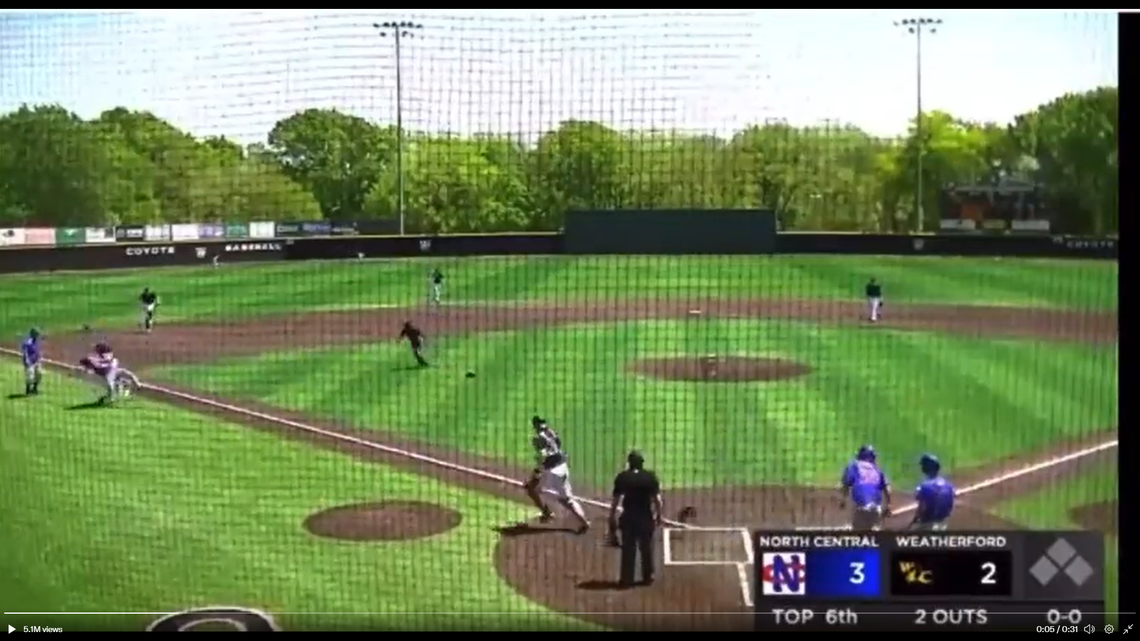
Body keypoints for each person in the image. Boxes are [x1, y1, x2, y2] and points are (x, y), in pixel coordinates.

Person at [524, 416, 590, 533]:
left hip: (551, 471)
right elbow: (558, 445)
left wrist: (537, 471)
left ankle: (547, 513)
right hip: (563, 466)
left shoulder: (537, 438)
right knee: (567, 499)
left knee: (532, 489)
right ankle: (584, 522)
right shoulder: (552, 432)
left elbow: (543, 456)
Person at [609, 450, 662, 587]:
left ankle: (627, 578)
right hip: (645, 516)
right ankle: (648, 576)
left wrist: (612, 518)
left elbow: (615, 501)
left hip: (629, 517)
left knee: (628, 549)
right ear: (641, 463)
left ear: (629, 463)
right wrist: (659, 516)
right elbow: (657, 500)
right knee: (647, 548)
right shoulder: (650, 477)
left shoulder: (622, 477)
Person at [839, 445, 892, 531]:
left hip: (861, 508)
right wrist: (889, 506)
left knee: (858, 537)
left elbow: (845, 485)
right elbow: (887, 488)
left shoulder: (853, 466)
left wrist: (843, 500)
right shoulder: (877, 470)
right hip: (876, 510)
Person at [910, 453, 955, 531]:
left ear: (926, 468)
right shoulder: (948, 485)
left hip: (927, 525)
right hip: (943, 524)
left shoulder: (924, 487)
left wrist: (914, 520)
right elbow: (950, 504)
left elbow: (922, 508)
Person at [20, 328, 43, 396]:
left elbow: (37, 351)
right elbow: (25, 351)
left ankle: (34, 388)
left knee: (39, 374)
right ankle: (28, 390)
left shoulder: (36, 341)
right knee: (30, 377)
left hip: (36, 361)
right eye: (36, 334)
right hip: (29, 362)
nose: (38, 336)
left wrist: (39, 358)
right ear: (33, 334)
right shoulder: (28, 342)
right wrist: (27, 360)